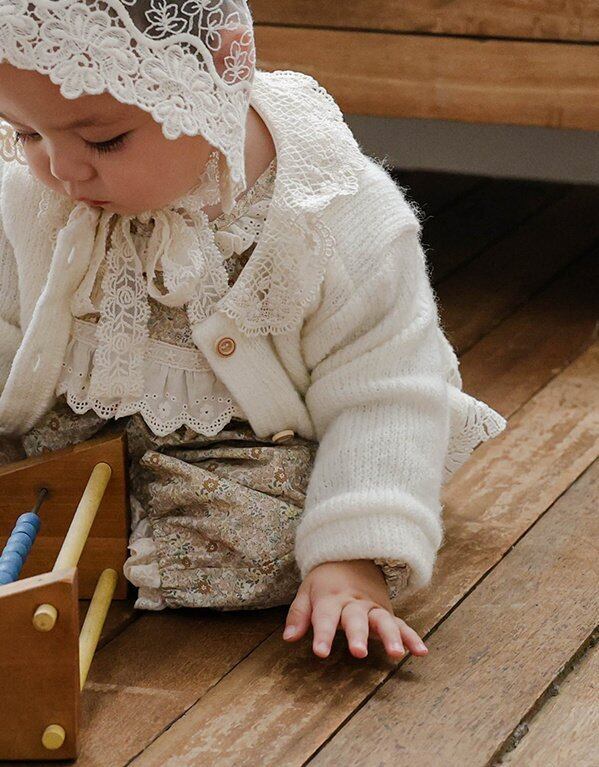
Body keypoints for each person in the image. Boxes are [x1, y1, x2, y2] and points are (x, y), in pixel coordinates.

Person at [0, 0, 506, 662]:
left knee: (264, 536)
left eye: (105, 141)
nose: (61, 170)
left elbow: (386, 389)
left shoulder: (326, 212)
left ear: (212, 85)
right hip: (80, 430)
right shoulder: (35, 189)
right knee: (29, 486)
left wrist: (352, 555)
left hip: (252, 452)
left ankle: (171, 543)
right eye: (26, 133)